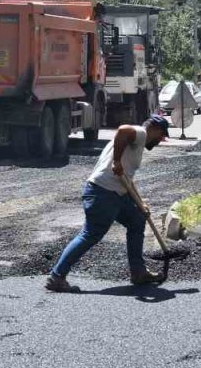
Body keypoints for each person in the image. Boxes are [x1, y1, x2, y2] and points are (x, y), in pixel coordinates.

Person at [46, 116, 172, 293]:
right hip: (102, 193)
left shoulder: (136, 144)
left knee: (137, 221)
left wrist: (140, 202)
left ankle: (138, 272)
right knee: (91, 234)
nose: (160, 141)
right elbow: (122, 129)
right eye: (161, 137)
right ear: (156, 129)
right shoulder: (141, 133)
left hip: (116, 194)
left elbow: (127, 178)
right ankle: (57, 276)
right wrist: (116, 161)